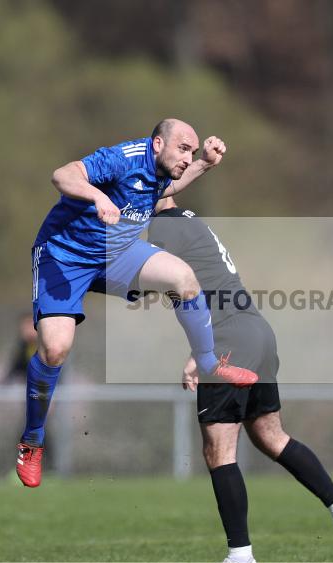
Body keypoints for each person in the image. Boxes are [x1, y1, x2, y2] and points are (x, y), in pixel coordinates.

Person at [17, 119, 259, 488]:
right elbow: (61, 175)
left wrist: (204, 164)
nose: (187, 157)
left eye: (192, 151)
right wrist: (98, 196)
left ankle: (208, 362)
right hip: (63, 257)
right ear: (158, 143)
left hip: (116, 254)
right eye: (183, 149)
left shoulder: (163, 170)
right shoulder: (123, 158)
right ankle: (32, 440)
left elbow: (169, 186)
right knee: (55, 348)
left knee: (183, 278)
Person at [147, 197, 333, 563]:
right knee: (271, 437)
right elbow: (202, 288)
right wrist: (198, 353)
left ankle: (241, 558)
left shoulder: (164, 225)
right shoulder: (187, 221)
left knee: (219, 451)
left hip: (231, 337)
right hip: (255, 332)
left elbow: (153, 284)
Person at [4, 314, 39, 383]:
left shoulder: (49, 347)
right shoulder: (22, 348)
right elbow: (13, 372)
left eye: (31, 326)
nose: (28, 331)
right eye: (25, 327)